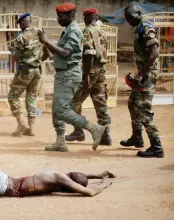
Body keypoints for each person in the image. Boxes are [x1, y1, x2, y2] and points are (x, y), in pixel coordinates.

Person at [37, 3, 106, 152]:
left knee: (62, 110)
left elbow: (65, 53)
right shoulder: (68, 30)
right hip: (63, 74)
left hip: (69, 74)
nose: (58, 19)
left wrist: (46, 41)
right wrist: (46, 45)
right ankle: (60, 141)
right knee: (56, 109)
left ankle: (94, 129)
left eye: (61, 16)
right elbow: (58, 51)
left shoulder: (74, 31)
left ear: (70, 15)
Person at [120, 4, 164, 158]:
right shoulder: (139, 27)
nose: (128, 21)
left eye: (130, 17)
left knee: (144, 110)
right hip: (142, 74)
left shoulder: (145, 27)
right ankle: (137, 137)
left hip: (147, 76)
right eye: (126, 19)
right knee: (133, 103)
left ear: (138, 13)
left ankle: (156, 147)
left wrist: (140, 75)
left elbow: (154, 53)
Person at [65, 8, 112, 145]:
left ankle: (78, 131)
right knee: (100, 103)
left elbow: (89, 53)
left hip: (90, 71)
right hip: (101, 70)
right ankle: (105, 134)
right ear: (96, 17)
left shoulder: (87, 31)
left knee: (74, 102)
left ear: (86, 18)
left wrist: (85, 75)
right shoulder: (102, 32)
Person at [7, 13, 49, 136]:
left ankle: (22, 124)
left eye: (19, 23)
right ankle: (32, 128)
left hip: (25, 71)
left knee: (13, 96)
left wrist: (12, 50)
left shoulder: (21, 38)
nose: (19, 26)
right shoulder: (40, 33)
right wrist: (37, 61)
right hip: (37, 70)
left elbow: (16, 58)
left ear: (24, 22)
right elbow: (47, 53)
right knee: (31, 98)